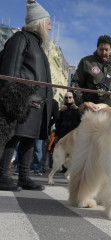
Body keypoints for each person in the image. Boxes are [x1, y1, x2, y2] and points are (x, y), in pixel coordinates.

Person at [0, 0, 53, 191]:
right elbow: (9, 70)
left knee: (30, 139)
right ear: (39, 22)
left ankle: (24, 176)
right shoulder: (20, 38)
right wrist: (15, 97)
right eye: (48, 23)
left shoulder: (38, 46)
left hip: (36, 102)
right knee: (13, 137)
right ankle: (2, 176)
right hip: (23, 99)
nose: (50, 27)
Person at [71, 35, 111, 111]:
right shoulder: (86, 62)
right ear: (97, 48)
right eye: (101, 49)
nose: (104, 52)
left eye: (106, 50)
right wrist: (80, 102)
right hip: (91, 109)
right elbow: (75, 82)